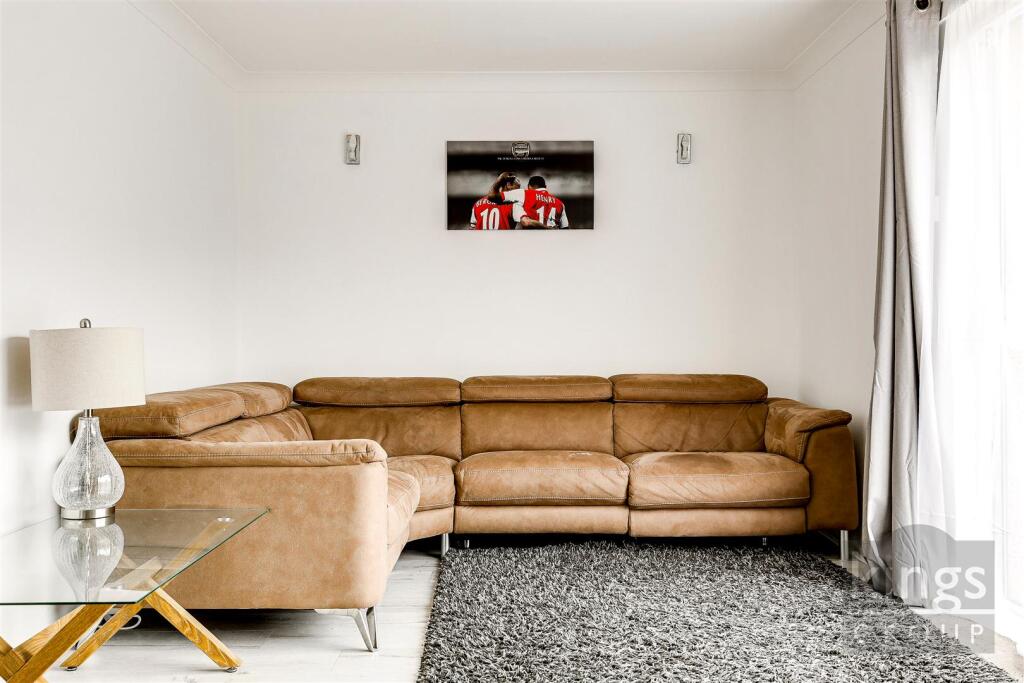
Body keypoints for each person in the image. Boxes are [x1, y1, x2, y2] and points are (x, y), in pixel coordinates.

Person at [489, 174, 569, 229]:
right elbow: (565, 229)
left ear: (529, 186)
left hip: (531, 242)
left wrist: (500, 178)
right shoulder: (560, 203)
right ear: (545, 187)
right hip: (552, 243)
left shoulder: (524, 193)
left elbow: (492, 196)